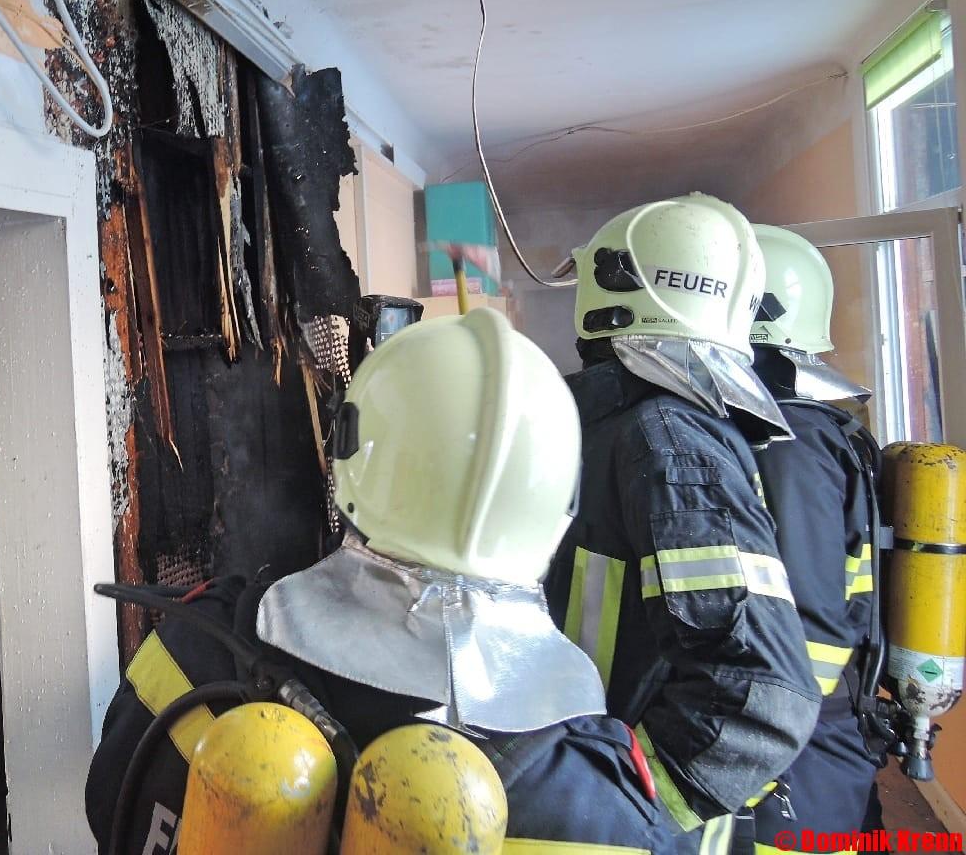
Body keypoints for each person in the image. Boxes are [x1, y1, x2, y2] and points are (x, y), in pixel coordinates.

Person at [86, 308, 703, 855]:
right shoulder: (599, 803)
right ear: (557, 503)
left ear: (351, 454)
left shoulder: (191, 657)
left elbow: (109, 805)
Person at [543, 193, 820, 849]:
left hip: (631, 828)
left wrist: (617, 801)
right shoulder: (628, 426)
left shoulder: (666, 438)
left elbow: (763, 696)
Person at [748, 224, 883, 840]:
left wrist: (748, 750)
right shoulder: (804, 430)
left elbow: (810, 628)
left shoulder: (789, 445)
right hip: (813, 739)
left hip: (798, 759)